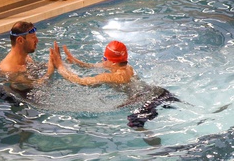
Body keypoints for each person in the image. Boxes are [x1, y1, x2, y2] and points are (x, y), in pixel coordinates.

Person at [50, 40, 181, 128]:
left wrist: (60, 66)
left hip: (146, 100)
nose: (102, 59)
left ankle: (155, 149)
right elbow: (94, 66)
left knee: (136, 127)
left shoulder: (113, 76)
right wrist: (75, 61)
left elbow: (81, 81)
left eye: (105, 58)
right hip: (159, 92)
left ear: (112, 62)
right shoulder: (126, 67)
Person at [0, 21, 56, 105]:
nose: (37, 40)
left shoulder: (26, 58)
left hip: (31, 95)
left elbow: (36, 69)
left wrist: (54, 62)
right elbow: (38, 84)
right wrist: (50, 70)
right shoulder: (9, 69)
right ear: (20, 40)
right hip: (19, 103)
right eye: (33, 37)